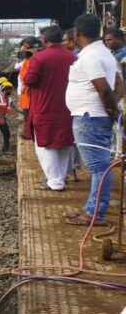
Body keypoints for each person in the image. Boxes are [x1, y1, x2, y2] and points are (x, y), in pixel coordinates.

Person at [64, 13, 122, 225]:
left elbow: (103, 87)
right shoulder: (105, 54)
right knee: (101, 166)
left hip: (90, 118)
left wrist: (111, 110)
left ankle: (95, 214)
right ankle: (94, 210)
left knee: (99, 168)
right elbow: (119, 84)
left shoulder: (89, 57)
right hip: (96, 117)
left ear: (77, 33)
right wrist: (112, 110)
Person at [23, 25, 77, 191]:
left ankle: (54, 181)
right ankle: (59, 178)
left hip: (44, 106)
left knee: (45, 145)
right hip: (68, 107)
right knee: (63, 143)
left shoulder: (40, 58)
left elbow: (28, 80)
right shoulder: (72, 57)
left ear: (44, 40)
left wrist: (31, 61)